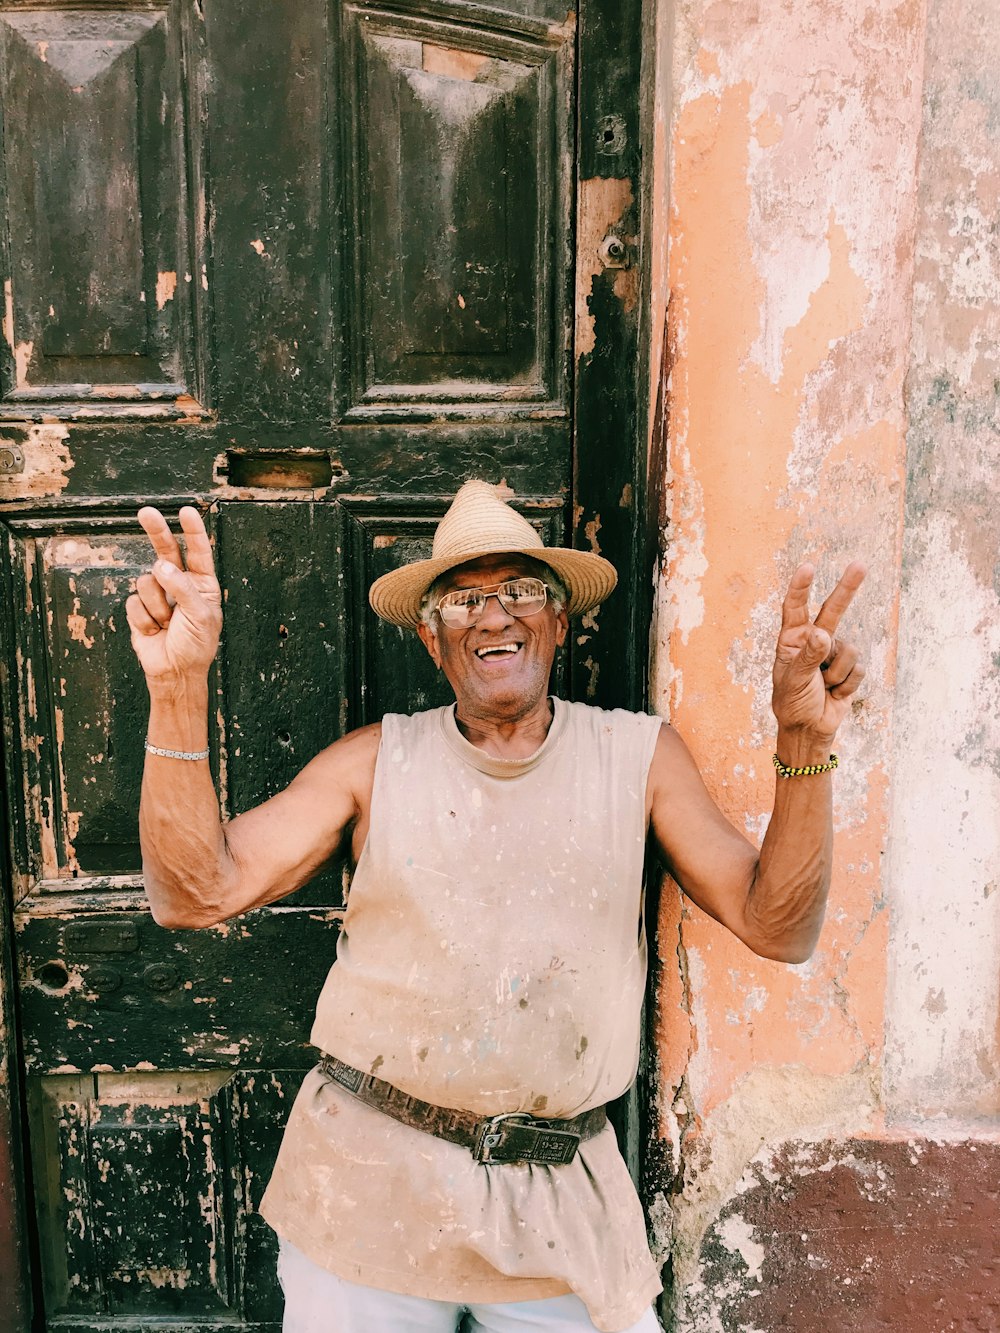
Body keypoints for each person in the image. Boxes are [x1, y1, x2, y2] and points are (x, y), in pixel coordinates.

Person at [126, 480, 866, 1333]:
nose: (494, 615)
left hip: (560, 1202)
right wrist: (179, 684)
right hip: (372, 1184)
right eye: (464, 599)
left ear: (558, 621)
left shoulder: (638, 759)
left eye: (520, 591)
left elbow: (780, 926)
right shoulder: (375, 764)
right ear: (431, 637)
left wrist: (804, 740)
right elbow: (195, 894)